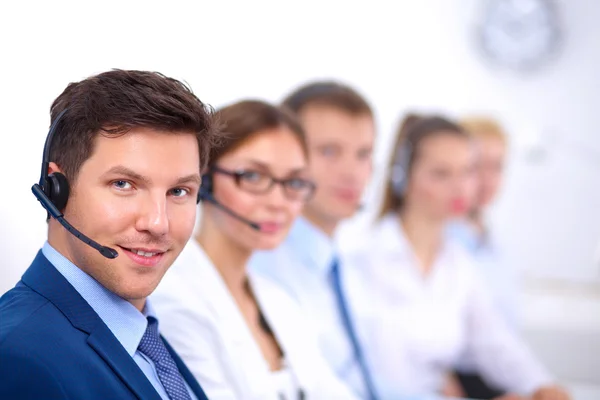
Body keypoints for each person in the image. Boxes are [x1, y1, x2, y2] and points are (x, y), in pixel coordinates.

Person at [0, 69, 219, 400]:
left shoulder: (144, 338)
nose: (158, 223)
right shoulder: (19, 357)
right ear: (55, 190)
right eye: (124, 185)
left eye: (178, 191)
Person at [341, 114, 571, 400]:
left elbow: (495, 342)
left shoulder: (458, 262)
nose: (461, 187)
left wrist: (542, 385)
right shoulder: (364, 257)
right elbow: (386, 382)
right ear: (404, 178)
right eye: (442, 173)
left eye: (467, 171)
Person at [151, 99, 358, 399]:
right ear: (203, 180)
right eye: (253, 176)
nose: (278, 202)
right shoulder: (172, 298)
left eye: (294, 181)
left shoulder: (277, 300)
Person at [248, 82, 379, 399]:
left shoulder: (344, 263)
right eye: (329, 151)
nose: (352, 172)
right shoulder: (260, 268)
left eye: (363, 154)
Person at [446, 116, 521, 398]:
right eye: (477, 167)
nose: (488, 179)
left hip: (498, 377)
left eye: (497, 167)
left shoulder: (497, 245)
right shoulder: (442, 242)